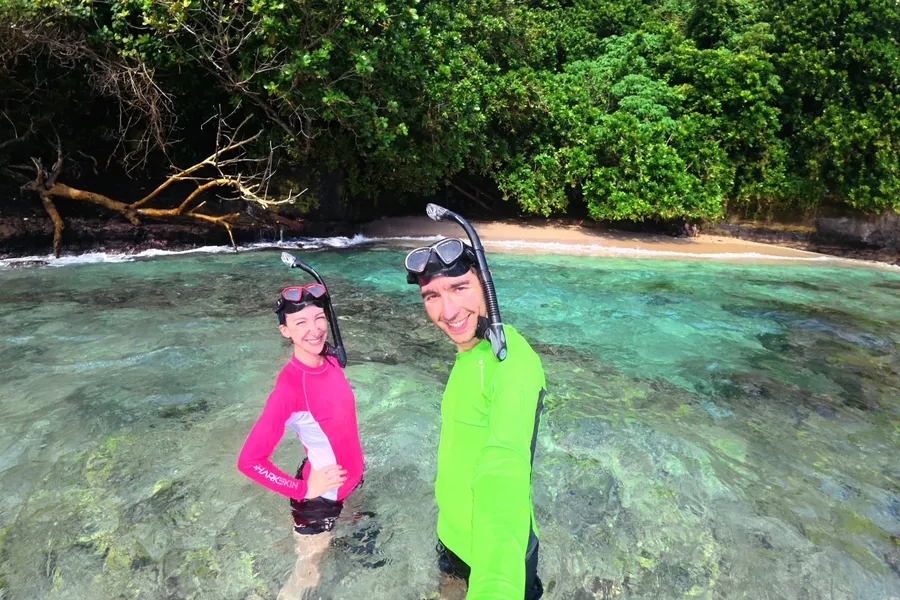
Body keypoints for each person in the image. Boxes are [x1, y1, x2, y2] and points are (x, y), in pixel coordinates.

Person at [404, 206, 547, 600]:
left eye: (460, 288)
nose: (447, 312)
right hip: (452, 537)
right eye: (432, 296)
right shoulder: (471, 350)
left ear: (485, 281)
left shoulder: (513, 363)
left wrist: (496, 585)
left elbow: (504, 468)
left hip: (498, 561)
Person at [237, 255, 364, 600]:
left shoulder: (331, 359)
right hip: (319, 499)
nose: (315, 329)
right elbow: (249, 461)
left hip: (347, 482)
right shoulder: (289, 389)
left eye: (319, 318)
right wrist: (302, 489)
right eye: (301, 323)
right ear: (285, 331)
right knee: (305, 579)